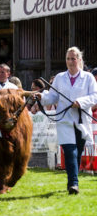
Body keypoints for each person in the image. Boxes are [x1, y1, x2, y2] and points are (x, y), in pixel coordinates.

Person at [34, 47, 97, 194]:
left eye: (73, 58)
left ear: (79, 60)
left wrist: (80, 102)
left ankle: (72, 180)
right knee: (70, 151)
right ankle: (73, 184)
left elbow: (94, 96)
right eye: (68, 58)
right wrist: (42, 97)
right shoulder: (59, 78)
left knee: (77, 152)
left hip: (82, 120)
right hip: (65, 120)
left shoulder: (88, 78)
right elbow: (52, 97)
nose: (70, 61)